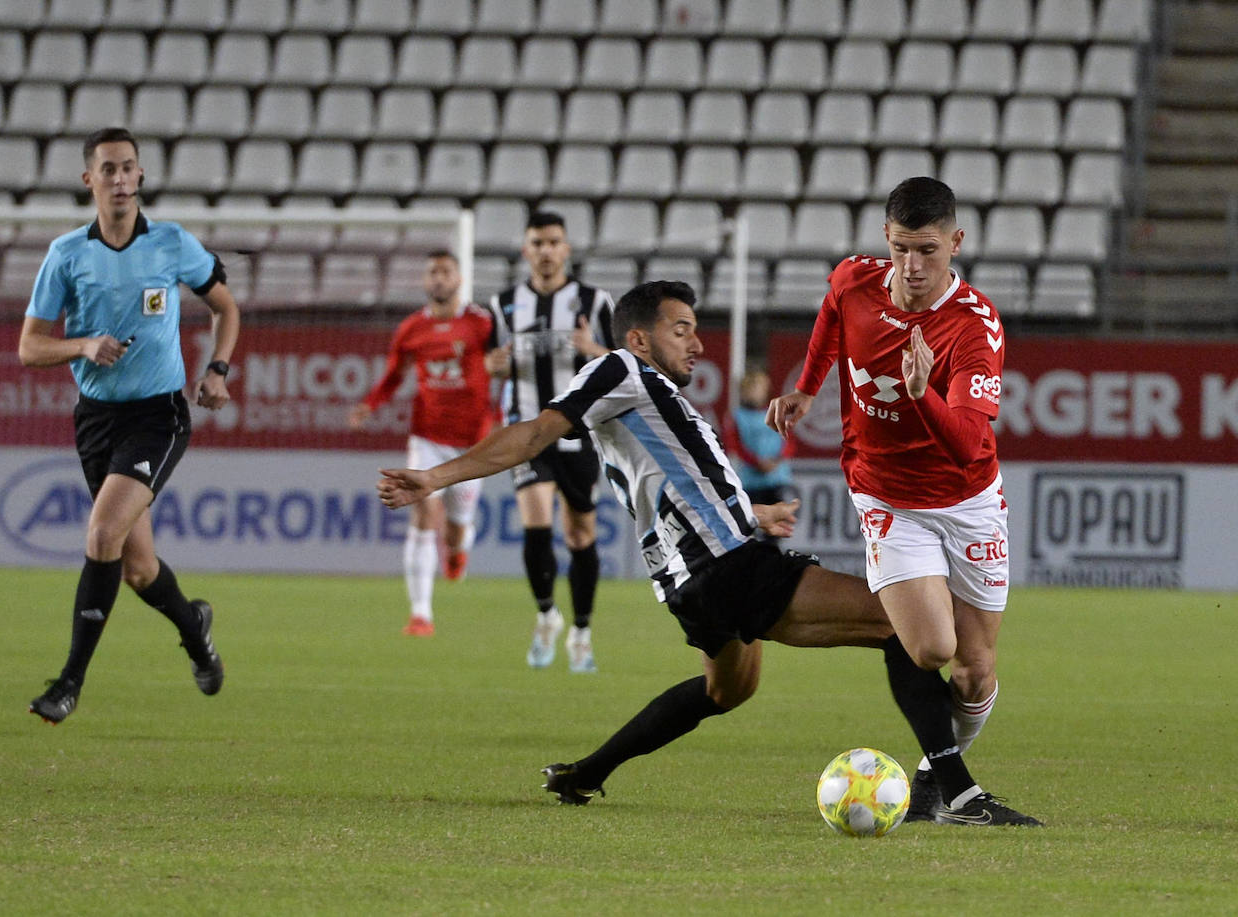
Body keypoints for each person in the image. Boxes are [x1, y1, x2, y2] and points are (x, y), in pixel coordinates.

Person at [381, 280, 1040, 826]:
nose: (697, 343)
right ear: (639, 338)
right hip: (725, 565)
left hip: (687, 580)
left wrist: (750, 512)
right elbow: (532, 434)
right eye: (681, 329)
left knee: (727, 689)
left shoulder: (654, 401)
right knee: (907, 628)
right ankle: (952, 791)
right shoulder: (619, 369)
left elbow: (672, 484)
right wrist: (434, 477)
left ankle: (587, 772)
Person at [767, 176, 1019, 825]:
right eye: (902, 248)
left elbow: (967, 444)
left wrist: (919, 394)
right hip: (886, 496)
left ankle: (936, 781)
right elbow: (832, 311)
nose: (912, 265)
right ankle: (956, 791)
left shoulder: (974, 327)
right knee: (931, 648)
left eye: (927, 250)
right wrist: (808, 386)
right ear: (886, 237)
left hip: (968, 502)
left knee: (974, 670)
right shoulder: (855, 280)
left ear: (956, 243)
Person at [19, 127, 240, 724]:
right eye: (108, 169)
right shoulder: (67, 254)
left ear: (140, 176)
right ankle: (195, 629)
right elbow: (29, 347)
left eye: (128, 168)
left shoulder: (171, 243)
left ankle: (68, 683)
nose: (120, 179)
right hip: (97, 420)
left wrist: (217, 369)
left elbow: (226, 307)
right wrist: (82, 345)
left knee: (100, 537)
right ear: (88, 179)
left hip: (157, 415)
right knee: (139, 569)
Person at [487, 211, 616, 673]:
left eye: (553, 242)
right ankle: (546, 615)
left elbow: (621, 362)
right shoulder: (503, 304)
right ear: (526, 250)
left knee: (580, 534)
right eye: (538, 243)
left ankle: (581, 631)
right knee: (536, 523)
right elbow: (490, 363)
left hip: (579, 432)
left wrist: (591, 349)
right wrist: (493, 365)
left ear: (566, 249)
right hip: (526, 430)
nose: (545, 250)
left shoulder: (594, 302)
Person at [348, 250, 496, 637]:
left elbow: (503, 365)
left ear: (459, 279)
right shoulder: (411, 328)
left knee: (456, 528)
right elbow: (393, 375)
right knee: (424, 513)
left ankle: (458, 550)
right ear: (425, 280)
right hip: (428, 436)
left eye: (446, 271)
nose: (439, 278)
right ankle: (420, 615)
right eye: (433, 272)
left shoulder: (482, 323)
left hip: (472, 442)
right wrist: (369, 404)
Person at [722, 367, 795, 508]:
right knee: (754, 517)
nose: (754, 393)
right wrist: (756, 462)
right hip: (751, 481)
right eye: (750, 389)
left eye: (758, 388)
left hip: (778, 478)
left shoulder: (777, 413)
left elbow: (789, 441)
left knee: (780, 518)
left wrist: (777, 460)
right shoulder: (736, 417)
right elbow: (734, 445)